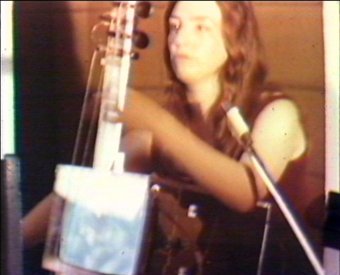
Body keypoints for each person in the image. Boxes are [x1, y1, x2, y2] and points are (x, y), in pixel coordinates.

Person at [22, 1, 316, 274]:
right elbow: (85, 191)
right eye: (175, 26)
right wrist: (16, 237)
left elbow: (246, 192)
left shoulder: (278, 112)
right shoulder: (163, 129)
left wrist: (156, 121)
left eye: (201, 27)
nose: (180, 39)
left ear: (235, 38)